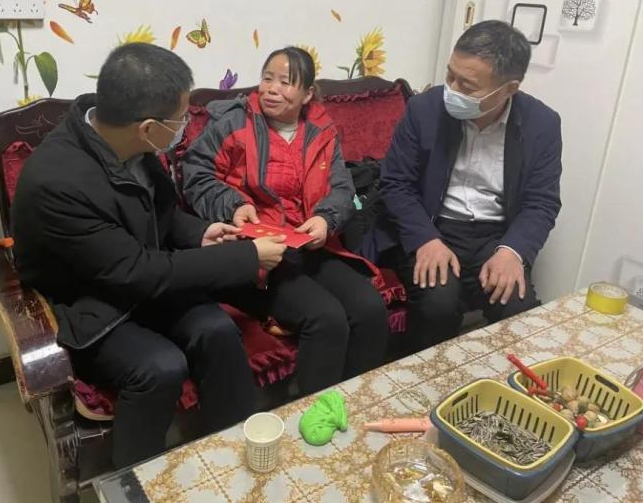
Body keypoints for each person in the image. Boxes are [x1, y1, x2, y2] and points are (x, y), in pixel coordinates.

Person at [11, 43, 287, 468]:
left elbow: (161, 213)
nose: (184, 128)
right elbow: (137, 271)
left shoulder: (128, 145)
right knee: (160, 366)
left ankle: (233, 452)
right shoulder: (57, 182)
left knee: (215, 329)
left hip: (135, 277)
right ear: (147, 127)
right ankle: (132, 482)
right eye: (180, 119)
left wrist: (200, 232)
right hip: (86, 302)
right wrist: (249, 256)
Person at [182, 46, 388, 396]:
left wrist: (325, 219)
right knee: (325, 318)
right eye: (267, 79)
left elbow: (342, 187)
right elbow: (197, 175)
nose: (272, 89)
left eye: (285, 82)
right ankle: (310, 413)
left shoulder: (321, 129)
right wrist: (233, 205)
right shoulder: (234, 123)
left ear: (307, 94)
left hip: (309, 245)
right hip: (258, 253)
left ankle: (356, 402)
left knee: (369, 307)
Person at [362, 20, 562, 352]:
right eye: (450, 75)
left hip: (495, 236)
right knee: (437, 305)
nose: (451, 90)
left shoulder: (542, 124)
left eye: (467, 85)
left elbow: (541, 202)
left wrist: (513, 251)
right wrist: (425, 239)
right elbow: (395, 183)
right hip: (433, 225)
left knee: (517, 309)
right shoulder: (424, 109)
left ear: (508, 89)